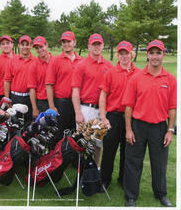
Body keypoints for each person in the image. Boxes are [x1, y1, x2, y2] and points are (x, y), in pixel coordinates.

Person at [122, 39, 176, 207]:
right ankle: (130, 196)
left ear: (163, 55)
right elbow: (129, 107)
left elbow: (172, 108)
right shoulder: (137, 78)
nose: (155, 56)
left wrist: (170, 130)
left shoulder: (171, 79)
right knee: (133, 162)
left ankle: (161, 194)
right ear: (147, 55)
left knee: (159, 163)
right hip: (138, 126)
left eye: (158, 53)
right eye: (151, 53)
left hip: (159, 128)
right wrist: (129, 129)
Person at [99, 41, 140, 190]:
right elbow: (103, 96)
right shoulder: (110, 72)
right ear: (118, 54)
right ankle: (104, 179)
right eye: (121, 53)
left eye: (127, 53)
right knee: (109, 150)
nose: (124, 56)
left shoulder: (139, 73)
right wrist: (103, 118)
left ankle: (123, 179)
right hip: (113, 117)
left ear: (132, 54)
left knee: (128, 151)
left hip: (132, 118)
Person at [71, 33, 113, 167]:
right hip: (86, 109)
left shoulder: (109, 66)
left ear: (103, 46)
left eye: (98, 44)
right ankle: (83, 169)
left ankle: (96, 169)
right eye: (93, 44)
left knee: (98, 143)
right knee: (84, 141)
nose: (96, 47)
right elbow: (75, 90)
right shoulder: (81, 65)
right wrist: (78, 112)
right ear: (89, 46)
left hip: (101, 111)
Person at [46, 31, 82, 139]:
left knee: (76, 135)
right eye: (63, 42)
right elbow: (49, 84)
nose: (66, 44)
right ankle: (57, 156)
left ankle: (72, 156)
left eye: (68, 41)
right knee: (60, 135)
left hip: (78, 104)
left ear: (74, 42)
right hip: (61, 104)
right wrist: (52, 106)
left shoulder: (81, 61)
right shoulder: (55, 61)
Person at [4, 35, 35, 125]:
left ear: (31, 45)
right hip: (15, 97)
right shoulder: (12, 61)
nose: (25, 47)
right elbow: (7, 80)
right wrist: (7, 98)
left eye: (27, 44)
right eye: (23, 44)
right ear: (19, 45)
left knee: (28, 123)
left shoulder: (35, 61)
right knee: (14, 123)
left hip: (30, 98)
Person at [28, 36, 53, 119]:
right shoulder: (33, 65)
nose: (39, 50)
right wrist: (34, 108)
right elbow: (32, 89)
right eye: (37, 48)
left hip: (56, 100)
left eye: (41, 46)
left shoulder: (56, 61)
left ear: (46, 45)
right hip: (42, 102)